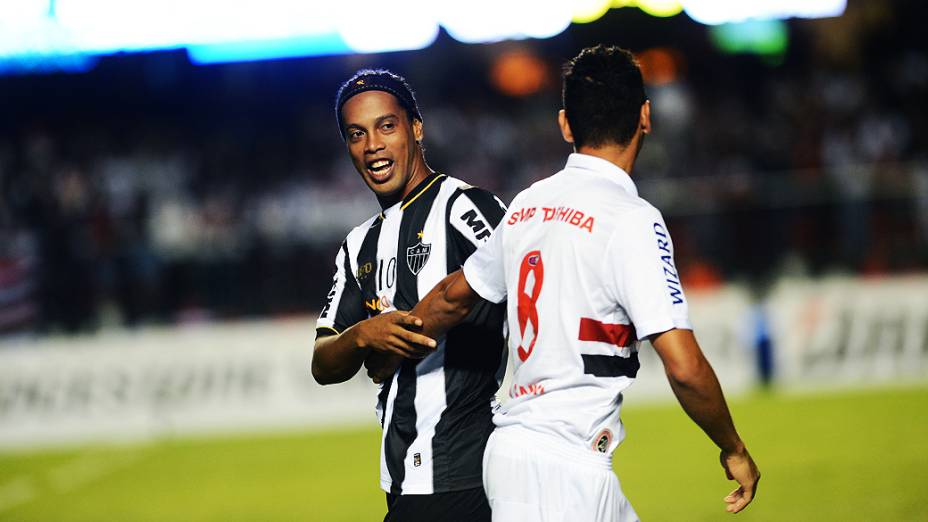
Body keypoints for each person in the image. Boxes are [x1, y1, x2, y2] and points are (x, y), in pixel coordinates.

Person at [404, 45, 760, 521]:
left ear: (566, 124)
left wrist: (390, 340)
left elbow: (453, 295)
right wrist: (732, 446)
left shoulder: (528, 205)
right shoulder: (633, 220)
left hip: (519, 454)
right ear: (646, 116)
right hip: (563, 469)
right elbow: (683, 365)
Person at [310, 69, 508, 522]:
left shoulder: (464, 207)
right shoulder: (357, 244)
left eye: (386, 126)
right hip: (400, 473)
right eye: (357, 134)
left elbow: (528, 290)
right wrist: (363, 336)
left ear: (416, 128)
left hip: (462, 467)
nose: (372, 145)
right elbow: (323, 363)